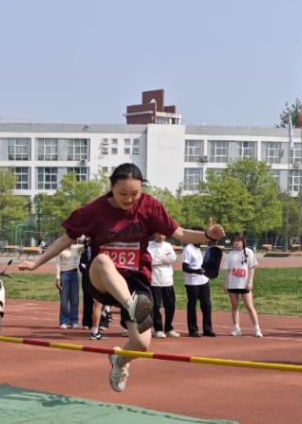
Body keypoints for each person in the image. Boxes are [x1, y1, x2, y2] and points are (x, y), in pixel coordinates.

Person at [19, 163, 225, 392]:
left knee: (141, 344)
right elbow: (65, 239)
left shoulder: (150, 206)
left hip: (136, 279)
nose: (129, 199)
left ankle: (119, 361)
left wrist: (207, 235)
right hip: (102, 279)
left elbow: (181, 234)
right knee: (103, 260)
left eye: (134, 194)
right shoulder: (95, 210)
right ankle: (131, 305)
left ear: (142, 189)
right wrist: (36, 263)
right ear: (112, 189)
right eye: (122, 193)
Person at [223, 234, 262, 337]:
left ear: (242, 242)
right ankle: (236, 328)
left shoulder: (248, 252)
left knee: (249, 306)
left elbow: (251, 268)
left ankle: (257, 328)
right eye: (234, 241)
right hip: (233, 284)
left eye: (238, 241)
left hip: (244, 284)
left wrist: (250, 282)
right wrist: (226, 283)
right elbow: (227, 270)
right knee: (234, 306)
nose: (236, 243)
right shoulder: (230, 254)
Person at [181, 233, 214, 337]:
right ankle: (193, 330)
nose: (203, 240)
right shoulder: (188, 249)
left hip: (204, 281)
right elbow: (185, 268)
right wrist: (197, 271)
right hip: (192, 283)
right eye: (202, 237)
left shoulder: (198, 248)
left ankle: (207, 329)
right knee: (192, 305)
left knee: (207, 305)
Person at [148, 232, 180, 337]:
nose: (162, 236)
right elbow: (150, 260)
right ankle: (158, 329)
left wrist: (159, 258)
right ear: (155, 234)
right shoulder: (149, 246)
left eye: (163, 234)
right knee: (156, 306)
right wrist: (164, 259)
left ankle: (168, 328)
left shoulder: (168, 245)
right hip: (154, 281)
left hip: (167, 280)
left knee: (170, 305)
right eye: (159, 234)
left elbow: (173, 258)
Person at [55, 238, 82, 329]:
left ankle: (74, 320)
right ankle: (63, 321)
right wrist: (57, 278)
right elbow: (58, 264)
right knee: (64, 300)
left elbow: (86, 243)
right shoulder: (60, 249)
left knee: (75, 299)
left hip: (74, 274)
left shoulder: (77, 248)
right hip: (64, 274)